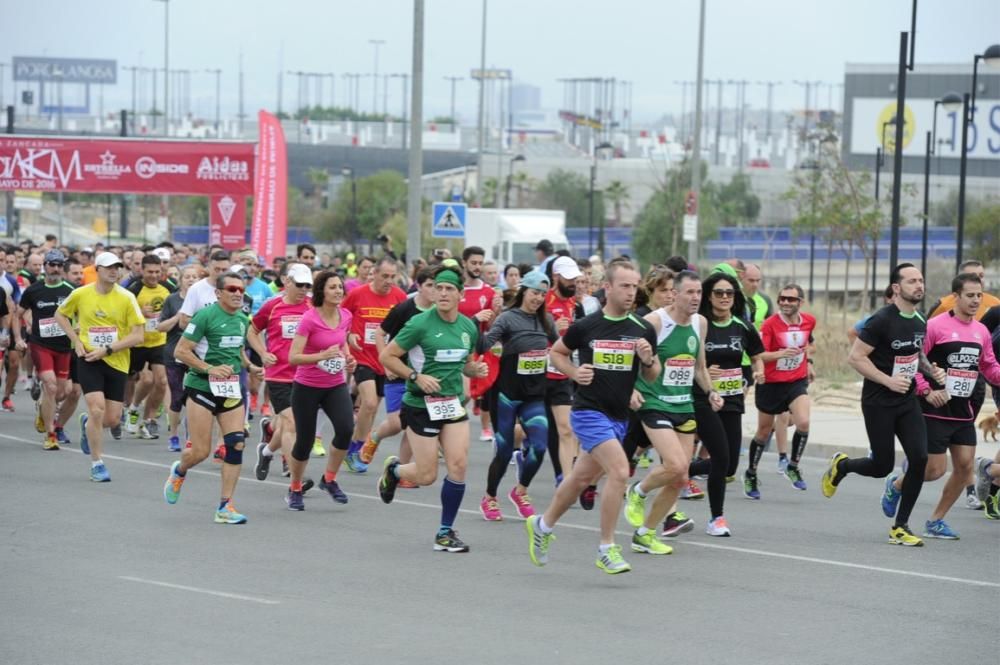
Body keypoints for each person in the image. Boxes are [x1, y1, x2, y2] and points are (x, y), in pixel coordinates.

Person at [524, 260, 659, 574]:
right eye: (624, 285)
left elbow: (653, 375)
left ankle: (542, 526)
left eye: (634, 285)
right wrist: (574, 371)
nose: (631, 292)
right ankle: (606, 547)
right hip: (587, 411)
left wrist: (648, 359)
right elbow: (556, 353)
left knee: (581, 478)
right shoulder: (587, 326)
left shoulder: (642, 329)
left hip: (618, 416)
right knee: (620, 470)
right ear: (608, 288)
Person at [822, 263, 946, 546]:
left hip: (907, 401)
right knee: (881, 465)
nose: (919, 285)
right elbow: (855, 358)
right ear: (896, 287)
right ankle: (843, 466)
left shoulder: (919, 320)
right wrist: (887, 380)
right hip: (878, 402)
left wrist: (931, 372)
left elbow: (915, 354)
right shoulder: (880, 320)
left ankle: (900, 526)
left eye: (921, 280)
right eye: (912, 281)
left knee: (919, 458)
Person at [872, 273, 1000, 539]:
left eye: (979, 295)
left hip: (963, 410)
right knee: (934, 470)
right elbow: (914, 360)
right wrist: (926, 389)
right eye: (970, 295)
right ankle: (896, 485)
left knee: (965, 468)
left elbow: (988, 366)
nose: (976, 300)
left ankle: (936, 521)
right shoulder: (934, 326)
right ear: (955, 296)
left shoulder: (981, 331)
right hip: (934, 408)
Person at [376, 265, 488, 553]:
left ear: (461, 295)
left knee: (459, 465)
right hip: (419, 405)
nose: (443, 293)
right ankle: (395, 471)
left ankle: (444, 531)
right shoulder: (419, 323)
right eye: (439, 287)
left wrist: (473, 370)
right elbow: (388, 357)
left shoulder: (468, 327)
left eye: (449, 288)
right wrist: (415, 377)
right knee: (427, 476)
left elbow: (463, 361)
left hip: (451, 403)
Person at [623, 270, 724, 551]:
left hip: (684, 403)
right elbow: (628, 359)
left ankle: (645, 534)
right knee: (676, 464)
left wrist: (711, 391)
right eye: (689, 292)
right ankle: (638, 490)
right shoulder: (655, 322)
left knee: (680, 477)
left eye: (699, 293)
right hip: (654, 403)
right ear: (674, 293)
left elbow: (698, 366)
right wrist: (630, 390)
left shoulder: (700, 323)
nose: (695, 298)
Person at [163, 271, 263, 523]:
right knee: (200, 451)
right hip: (202, 387)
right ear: (218, 293)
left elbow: (237, 348)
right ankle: (180, 470)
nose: (238, 293)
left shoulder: (242, 319)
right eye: (232, 289)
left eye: (241, 290)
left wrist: (250, 367)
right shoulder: (205, 316)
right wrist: (209, 369)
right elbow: (181, 351)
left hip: (229, 390)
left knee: (236, 444)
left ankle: (225, 506)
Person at [54, 252, 145, 482]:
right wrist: (75, 341)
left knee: (112, 419)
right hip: (88, 359)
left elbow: (138, 336)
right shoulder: (81, 294)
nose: (114, 271)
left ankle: (88, 425)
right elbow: (60, 314)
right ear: (97, 270)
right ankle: (97, 463)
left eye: (117, 267)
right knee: (96, 409)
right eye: (108, 267)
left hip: (116, 360)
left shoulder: (126, 298)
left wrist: (109, 349)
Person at [476, 270, 558, 521]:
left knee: (540, 447)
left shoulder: (546, 321)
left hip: (534, 394)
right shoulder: (508, 319)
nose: (538, 299)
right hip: (507, 395)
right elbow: (482, 346)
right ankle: (489, 497)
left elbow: (561, 348)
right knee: (503, 450)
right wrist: (475, 322)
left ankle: (520, 490)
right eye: (534, 293)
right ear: (524, 291)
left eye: (543, 295)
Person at [691, 271, 765, 531]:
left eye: (729, 293)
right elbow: (682, 358)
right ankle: (716, 518)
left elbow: (756, 355)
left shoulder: (742, 326)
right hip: (703, 399)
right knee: (721, 458)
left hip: (732, 398)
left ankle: (684, 470)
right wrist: (701, 372)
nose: (724, 297)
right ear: (709, 297)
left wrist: (758, 371)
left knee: (730, 464)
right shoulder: (698, 324)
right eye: (719, 293)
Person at [285, 271, 357, 510]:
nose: (338, 291)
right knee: (304, 442)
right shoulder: (309, 319)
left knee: (346, 429)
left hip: (335, 384)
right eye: (332, 287)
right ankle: (295, 487)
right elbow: (293, 357)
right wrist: (320, 356)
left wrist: (348, 358)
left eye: (340, 287)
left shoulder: (345, 315)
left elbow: (341, 341)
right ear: (321, 292)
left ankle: (329, 479)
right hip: (307, 386)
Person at [359, 267, 436, 477]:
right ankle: (374, 437)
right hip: (398, 372)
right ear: (418, 286)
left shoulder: (440, 311)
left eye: (437, 286)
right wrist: (386, 363)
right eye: (429, 285)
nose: (435, 290)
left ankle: (402, 470)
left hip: (424, 376)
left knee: (413, 423)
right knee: (396, 423)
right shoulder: (404, 309)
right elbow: (379, 333)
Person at [743, 283, 815, 499]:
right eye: (782, 298)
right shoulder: (770, 324)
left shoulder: (809, 321)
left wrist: (809, 362)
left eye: (790, 299)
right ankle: (751, 473)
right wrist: (780, 355)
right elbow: (759, 354)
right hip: (771, 383)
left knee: (803, 422)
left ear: (800, 302)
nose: (785, 302)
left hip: (796, 381)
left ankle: (792, 466)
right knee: (764, 432)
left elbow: (808, 343)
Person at [248, 263, 316, 476]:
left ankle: (267, 451)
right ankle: (295, 472)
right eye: (300, 285)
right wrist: (262, 353)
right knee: (293, 423)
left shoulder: (313, 306)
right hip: (279, 376)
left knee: (289, 424)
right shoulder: (272, 306)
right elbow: (252, 331)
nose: (304, 290)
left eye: (307, 285)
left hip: (306, 375)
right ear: (287, 282)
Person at [342, 256, 407, 471]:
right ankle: (354, 450)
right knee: (369, 403)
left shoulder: (399, 297)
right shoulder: (357, 294)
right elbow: (340, 317)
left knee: (372, 409)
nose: (389, 280)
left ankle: (356, 445)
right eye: (384, 276)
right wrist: (349, 335)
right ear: (375, 274)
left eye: (392, 276)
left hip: (387, 360)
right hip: (362, 357)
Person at [14, 250, 75, 449]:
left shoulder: (71, 290)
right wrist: (18, 338)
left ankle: (43, 409)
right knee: (50, 386)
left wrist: (79, 329)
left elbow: (83, 314)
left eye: (59, 265)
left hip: (64, 347)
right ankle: (50, 435)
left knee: (62, 391)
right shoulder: (33, 291)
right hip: (41, 344)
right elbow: (18, 314)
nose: (55, 269)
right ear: (45, 266)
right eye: (51, 265)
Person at [123, 254, 174, 439]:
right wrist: (139, 312)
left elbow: (176, 309)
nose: (153, 275)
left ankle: (148, 420)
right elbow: (120, 316)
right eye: (150, 272)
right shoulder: (133, 290)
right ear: (142, 271)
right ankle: (131, 408)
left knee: (160, 381)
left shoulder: (168, 288)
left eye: (157, 272)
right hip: (136, 341)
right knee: (140, 380)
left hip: (159, 342)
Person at [543, 256, 583, 494]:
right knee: (536, 431)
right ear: (556, 277)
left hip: (561, 373)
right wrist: (552, 330)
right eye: (569, 279)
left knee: (565, 429)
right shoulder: (542, 299)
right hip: (537, 374)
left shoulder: (572, 303)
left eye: (575, 279)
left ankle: (567, 480)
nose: (573, 283)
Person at [157, 265, 201, 451]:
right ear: (180, 280)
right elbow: (161, 327)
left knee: (195, 397)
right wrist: (178, 316)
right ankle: (173, 435)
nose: (191, 280)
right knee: (176, 396)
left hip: (197, 353)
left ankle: (191, 434)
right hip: (174, 352)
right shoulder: (172, 299)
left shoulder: (203, 300)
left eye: (194, 277)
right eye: (187, 277)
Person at [927, 260, 999, 319]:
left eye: (981, 276)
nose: (978, 280)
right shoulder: (944, 305)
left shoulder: (995, 304)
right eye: (972, 277)